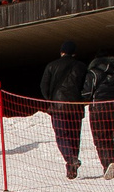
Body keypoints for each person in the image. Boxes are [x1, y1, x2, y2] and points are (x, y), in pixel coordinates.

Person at [38, 43, 90, 177]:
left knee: (61, 135)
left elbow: (44, 86)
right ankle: (72, 167)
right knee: (74, 136)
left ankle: (71, 159)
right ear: (74, 53)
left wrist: (51, 99)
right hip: (76, 107)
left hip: (58, 107)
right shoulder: (82, 67)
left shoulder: (51, 66)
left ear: (61, 52)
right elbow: (86, 86)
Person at [80, 52, 114, 178]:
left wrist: (78, 103)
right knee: (109, 137)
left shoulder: (93, 73)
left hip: (99, 109)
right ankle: (111, 162)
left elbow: (87, 93)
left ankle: (107, 164)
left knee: (99, 139)